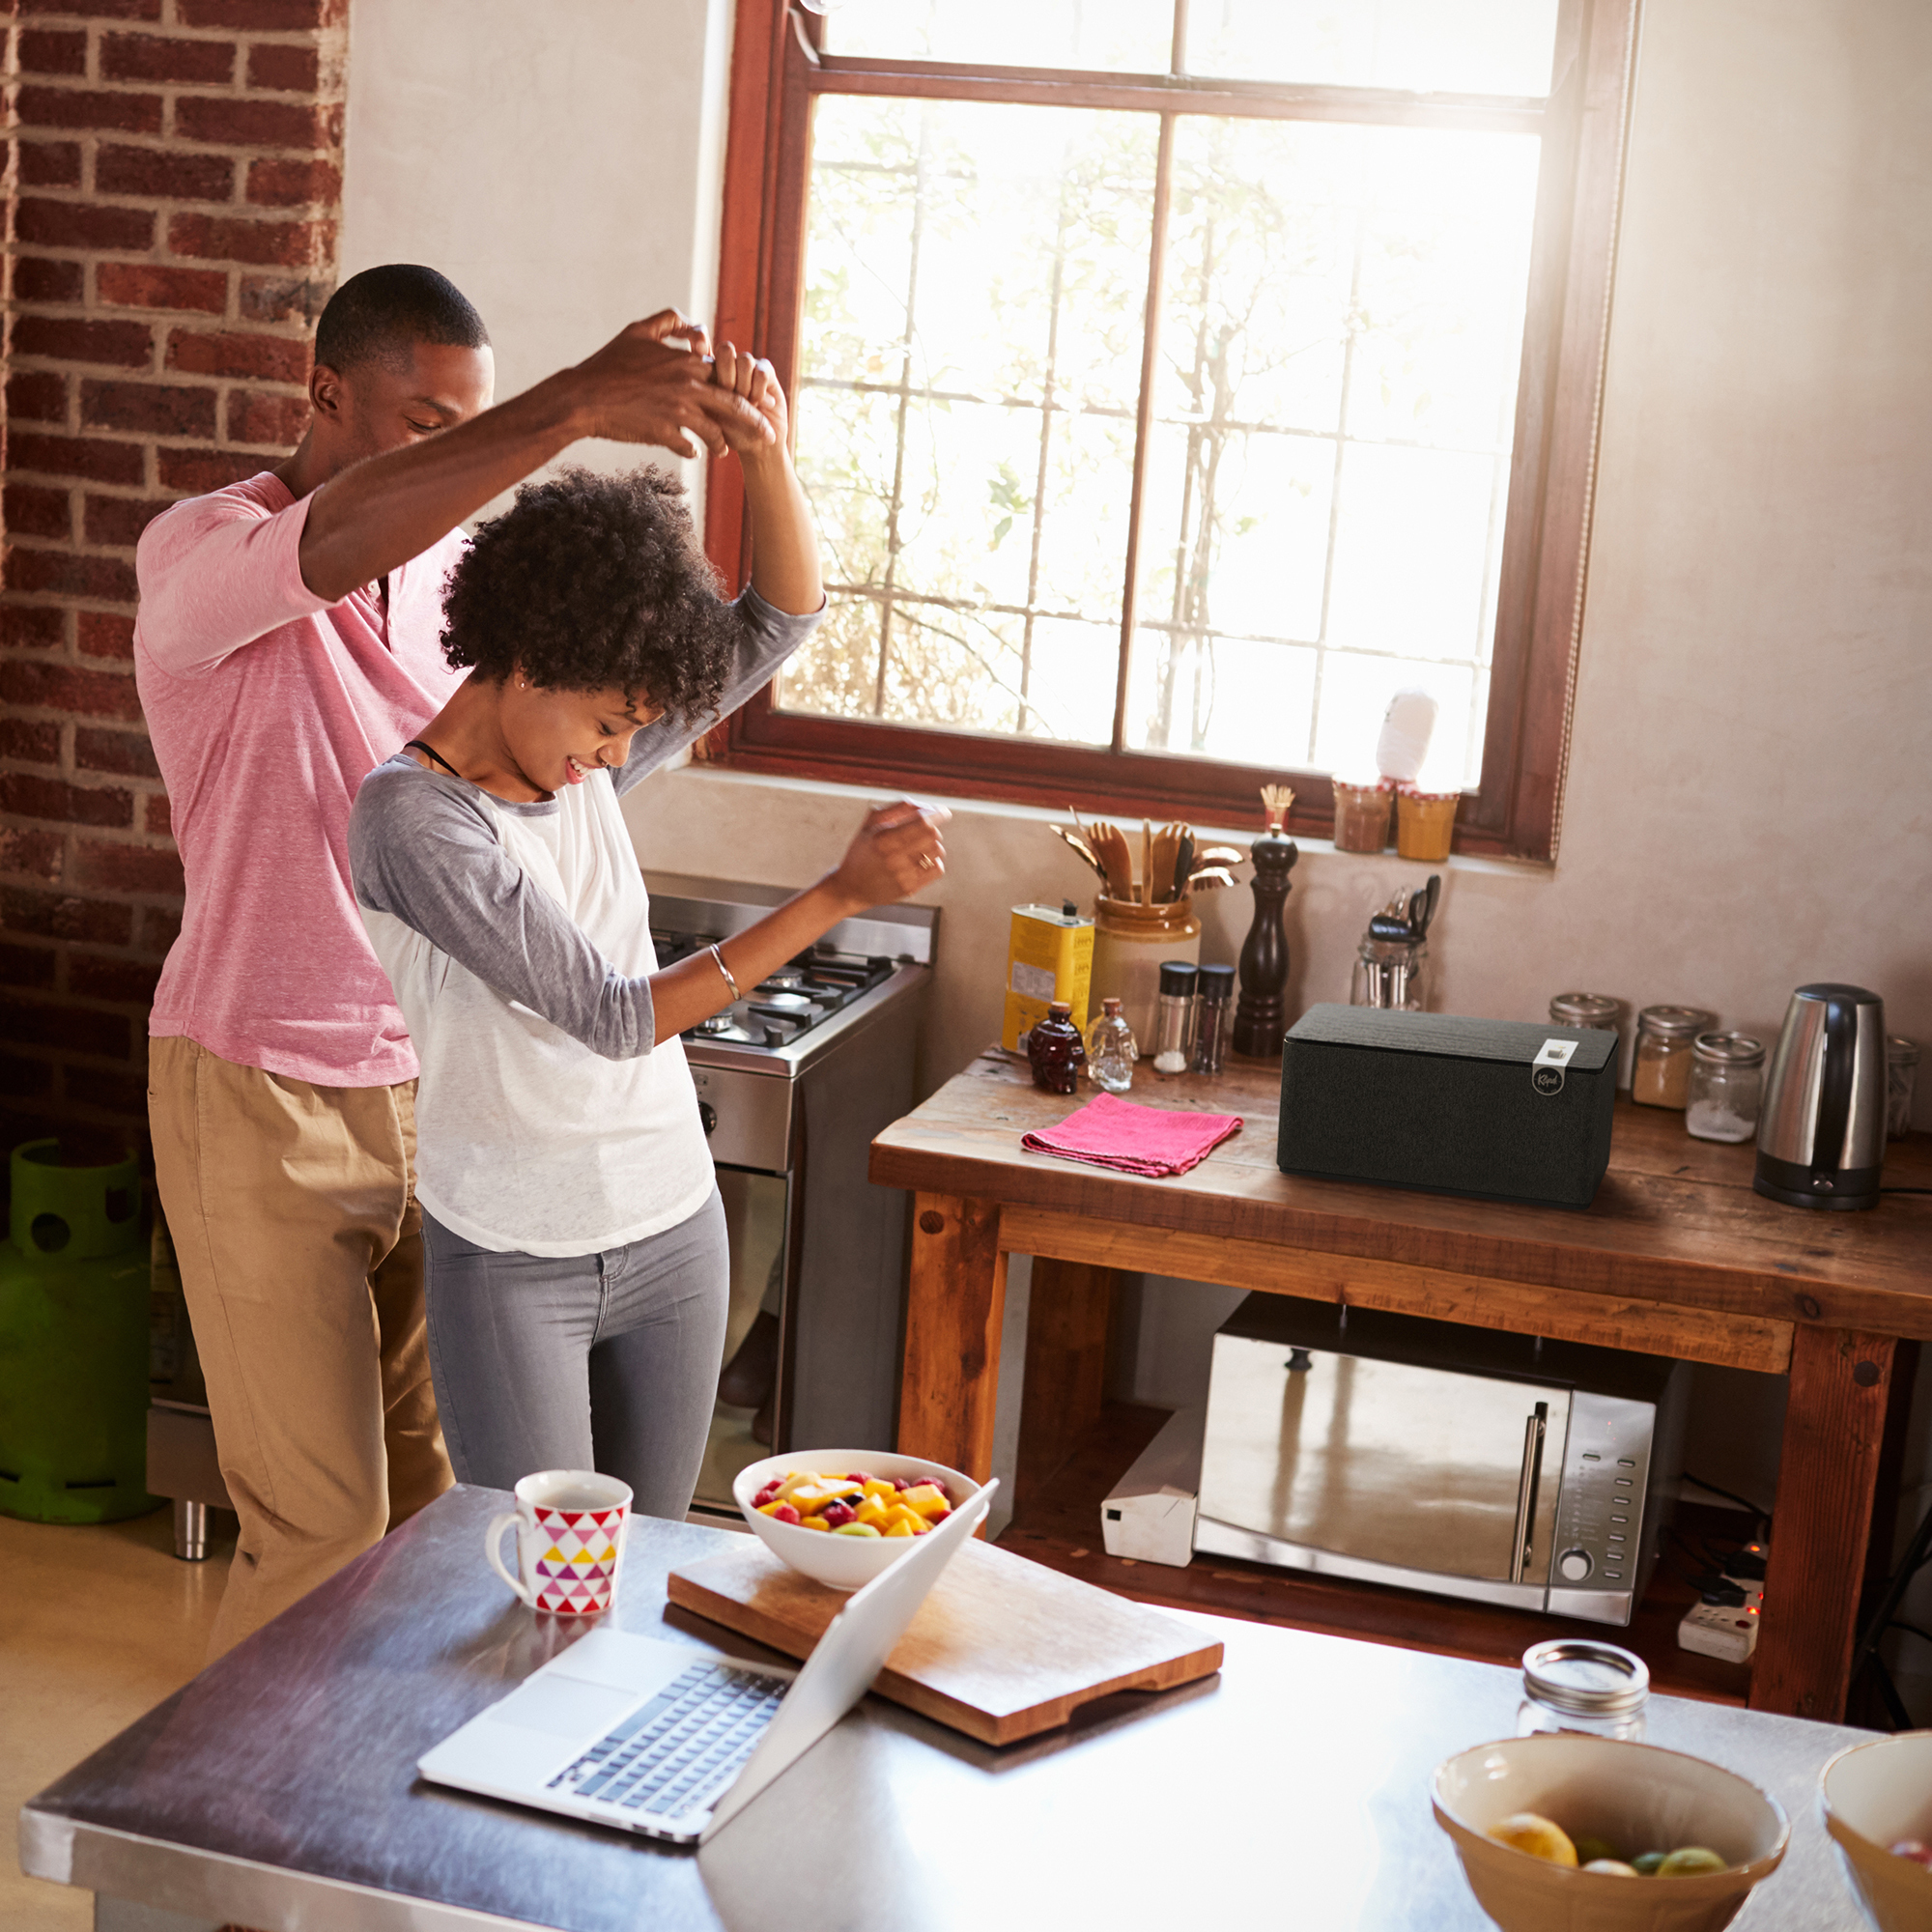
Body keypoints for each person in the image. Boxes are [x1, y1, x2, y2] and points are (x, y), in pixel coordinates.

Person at [136, 263, 776, 1658]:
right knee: (319, 1535)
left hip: (438, 1093)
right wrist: (578, 405)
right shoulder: (199, 558)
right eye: (425, 423)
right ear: (323, 393)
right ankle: (255, 1871)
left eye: (467, 427)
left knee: (452, 1529)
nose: (454, 458)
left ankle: (410, 1852)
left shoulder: (446, 593)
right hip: (258, 1089)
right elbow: (333, 537)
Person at [346, 348, 945, 1512]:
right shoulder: (413, 821)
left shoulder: (575, 758)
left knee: (650, 1578)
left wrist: (763, 450)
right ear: (528, 660)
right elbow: (611, 1017)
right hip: (515, 1257)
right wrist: (834, 894)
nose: (620, 756)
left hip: (672, 1222)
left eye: (634, 729)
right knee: (544, 1592)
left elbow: (780, 616)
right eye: (611, 724)